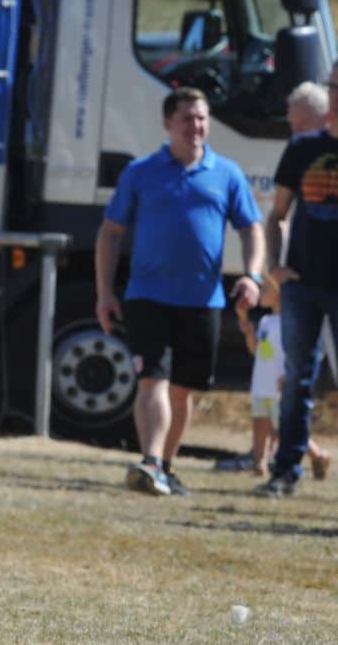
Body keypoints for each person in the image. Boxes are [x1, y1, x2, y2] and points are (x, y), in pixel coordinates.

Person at [96, 87, 264, 499]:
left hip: (203, 300)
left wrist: (253, 276)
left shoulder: (227, 174)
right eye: (188, 118)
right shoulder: (141, 172)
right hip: (147, 296)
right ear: (168, 123)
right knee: (152, 379)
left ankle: (164, 468)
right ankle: (151, 460)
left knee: (183, 388)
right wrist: (105, 293)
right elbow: (110, 233)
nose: (197, 126)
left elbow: (251, 229)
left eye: (202, 118)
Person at [256, 73, 338, 498]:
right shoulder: (304, 148)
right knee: (296, 380)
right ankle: (285, 471)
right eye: (335, 86)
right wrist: (275, 266)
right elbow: (277, 214)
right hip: (302, 285)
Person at [218, 271, 329, 478]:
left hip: (280, 387)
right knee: (260, 423)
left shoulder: (293, 324)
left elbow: (298, 355)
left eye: (265, 289)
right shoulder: (266, 322)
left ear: (280, 294)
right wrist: (248, 330)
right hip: (262, 384)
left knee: (285, 429)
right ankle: (258, 462)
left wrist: (289, 375)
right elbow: (257, 350)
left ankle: (317, 455)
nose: (260, 293)